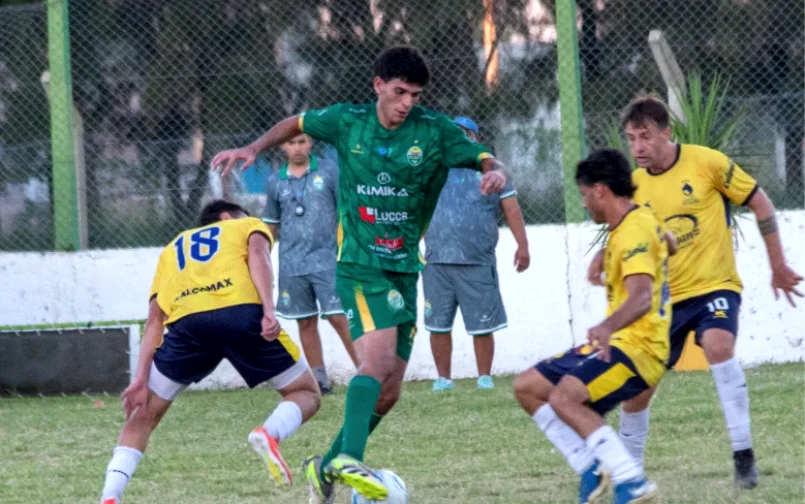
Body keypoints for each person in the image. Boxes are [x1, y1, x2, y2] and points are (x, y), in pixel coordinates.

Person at [211, 45, 509, 502]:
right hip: (359, 265)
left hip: (406, 270)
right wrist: (253, 148)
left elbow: (481, 155)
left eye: (414, 94)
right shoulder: (347, 121)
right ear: (378, 86)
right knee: (377, 362)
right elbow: (297, 123)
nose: (407, 102)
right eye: (399, 91)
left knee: (389, 393)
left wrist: (494, 171)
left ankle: (327, 468)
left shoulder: (433, 131)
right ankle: (350, 458)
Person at [588, 95, 803, 489]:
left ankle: (743, 456)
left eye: (645, 136)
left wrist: (777, 264)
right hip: (663, 301)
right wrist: (604, 253)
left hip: (713, 287)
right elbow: (627, 230)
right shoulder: (632, 185)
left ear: (666, 133)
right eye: (631, 138)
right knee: (638, 390)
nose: (637, 147)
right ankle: (628, 474)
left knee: (718, 344)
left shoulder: (707, 163)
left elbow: (761, 203)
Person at [99, 200, 321, 504]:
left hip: (189, 326)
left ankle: (110, 496)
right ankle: (269, 433)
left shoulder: (172, 249)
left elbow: (154, 318)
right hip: (241, 315)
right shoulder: (248, 225)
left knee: (142, 417)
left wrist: (139, 379)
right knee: (306, 392)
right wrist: (269, 310)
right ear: (228, 217)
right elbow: (258, 256)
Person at [514, 148, 675, 504]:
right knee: (527, 387)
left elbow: (641, 297)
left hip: (639, 348)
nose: (585, 204)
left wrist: (605, 326)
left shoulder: (634, 231)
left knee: (565, 397)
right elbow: (670, 242)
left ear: (600, 190)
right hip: (620, 341)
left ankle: (632, 481)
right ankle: (590, 465)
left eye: (585, 195)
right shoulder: (638, 221)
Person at [423, 116, 530, 392]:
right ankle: (443, 379)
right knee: (438, 323)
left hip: (477, 261)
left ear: (476, 139)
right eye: (454, 133)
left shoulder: (493, 170)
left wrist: (523, 246)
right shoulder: (431, 166)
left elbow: (512, 209)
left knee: (482, 325)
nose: (460, 139)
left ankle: (484, 377)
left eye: (465, 134)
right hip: (436, 261)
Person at [262, 133, 359, 394]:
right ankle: (320, 381)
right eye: (291, 143)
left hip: (328, 260)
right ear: (282, 145)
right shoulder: (275, 181)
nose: (297, 148)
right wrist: (262, 257)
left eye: (302, 142)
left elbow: (346, 211)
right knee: (305, 322)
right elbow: (272, 224)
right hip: (292, 264)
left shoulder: (329, 171)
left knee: (340, 318)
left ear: (311, 143)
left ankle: (367, 375)